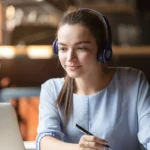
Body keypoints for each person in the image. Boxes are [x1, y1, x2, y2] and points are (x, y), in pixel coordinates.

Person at [36, 8, 150, 150]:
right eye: (63, 49)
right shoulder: (52, 89)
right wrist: (79, 149)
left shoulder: (133, 82)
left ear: (103, 51)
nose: (70, 58)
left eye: (81, 48)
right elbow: (45, 141)